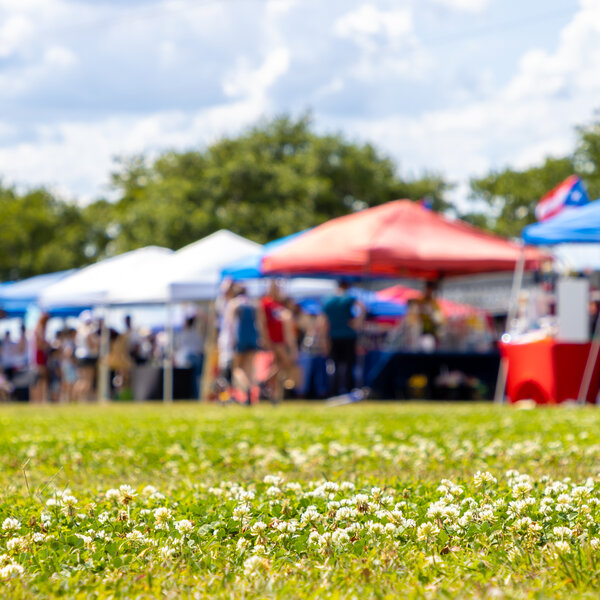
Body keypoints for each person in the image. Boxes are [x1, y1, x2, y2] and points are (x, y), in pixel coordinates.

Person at [321, 281, 364, 395]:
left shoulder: (328, 301)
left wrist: (324, 340)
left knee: (334, 365)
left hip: (333, 336)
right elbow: (363, 308)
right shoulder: (349, 299)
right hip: (348, 336)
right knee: (349, 365)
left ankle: (334, 391)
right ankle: (349, 390)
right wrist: (357, 322)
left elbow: (324, 322)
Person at [257, 280, 298, 403]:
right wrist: (265, 338)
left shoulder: (278, 305)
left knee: (279, 365)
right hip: (273, 340)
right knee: (285, 363)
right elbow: (262, 322)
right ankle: (264, 382)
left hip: (282, 339)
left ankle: (275, 395)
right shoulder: (265, 303)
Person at [229, 285, 261, 405]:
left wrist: (231, 342)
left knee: (237, 369)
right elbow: (259, 323)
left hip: (240, 339)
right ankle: (251, 394)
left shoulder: (234, 304)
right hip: (253, 338)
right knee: (249, 368)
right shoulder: (253, 304)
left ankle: (246, 389)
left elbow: (231, 325)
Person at [175, 314, 204, 400]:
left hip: (186, 357)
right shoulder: (197, 334)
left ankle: (188, 396)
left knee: (185, 378)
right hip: (196, 357)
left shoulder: (184, 334)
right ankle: (196, 396)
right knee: (196, 379)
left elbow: (180, 347)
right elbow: (200, 347)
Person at [30, 312, 51, 403]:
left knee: (40, 378)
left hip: (40, 355)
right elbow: (39, 345)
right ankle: (38, 399)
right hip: (39, 355)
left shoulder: (39, 329)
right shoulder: (39, 330)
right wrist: (47, 345)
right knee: (39, 378)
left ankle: (40, 398)